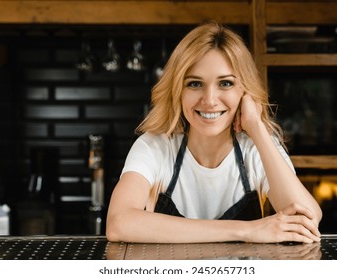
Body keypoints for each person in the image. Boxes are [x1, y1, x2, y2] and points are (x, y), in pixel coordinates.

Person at [106, 22, 322, 244]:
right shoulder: (154, 146)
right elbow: (119, 223)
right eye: (195, 84)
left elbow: (306, 220)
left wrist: (256, 126)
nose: (209, 100)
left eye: (226, 83)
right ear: (177, 90)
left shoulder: (256, 147)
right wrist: (246, 231)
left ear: (244, 90)